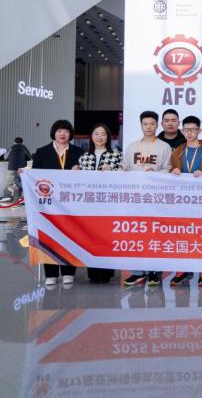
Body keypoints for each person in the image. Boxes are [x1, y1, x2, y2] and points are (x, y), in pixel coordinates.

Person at [122, 111, 173, 287]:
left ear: (157, 125)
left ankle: (154, 272)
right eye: (145, 124)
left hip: (156, 198)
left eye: (152, 124)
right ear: (141, 125)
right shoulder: (132, 147)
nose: (149, 127)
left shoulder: (164, 147)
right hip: (136, 198)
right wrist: (124, 170)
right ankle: (137, 273)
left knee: (155, 235)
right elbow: (125, 167)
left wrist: (157, 173)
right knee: (136, 235)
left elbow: (169, 169)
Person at [31, 120, 84, 286]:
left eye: (66, 131)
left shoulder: (79, 153)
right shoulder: (41, 152)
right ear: (54, 133)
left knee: (70, 237)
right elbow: (34, 176)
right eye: (59, 131)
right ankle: (51, 273)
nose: (62, 134)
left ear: (70, 134)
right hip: (48, 204)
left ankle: (68, 272)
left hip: (71, 204)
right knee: (49, 237)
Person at [169, 116, 202, 287]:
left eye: (193, 129)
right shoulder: (177, 151)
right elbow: (170, 170)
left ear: (199, 130)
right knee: (181, 234)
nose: (189, 133)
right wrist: (173, 171)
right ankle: (182, 270)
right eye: (186, 129)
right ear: (182, 131)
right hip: (182, 199)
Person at [75, 123, 123, 284]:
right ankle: (93, 271)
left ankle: (107, 272)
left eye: (103, 134)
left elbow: (124, 175)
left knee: (107, 238)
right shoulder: (84, 156)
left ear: (108, 137)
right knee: (90, 238)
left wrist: (113, 171)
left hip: (109, 204)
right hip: (89, 205)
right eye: (96, 133)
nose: (100, 137)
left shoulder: (116, 155)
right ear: (91, 136)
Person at [5, 137, 30, 201]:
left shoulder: (11, 147)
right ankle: (21, 197)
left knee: (9, 183)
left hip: (11, 167)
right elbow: (29, 157)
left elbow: (5, 157)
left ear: (14, 142)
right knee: (21, 183)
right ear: (22, 142)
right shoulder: (24, 147)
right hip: (21, 169)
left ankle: (7, 197)